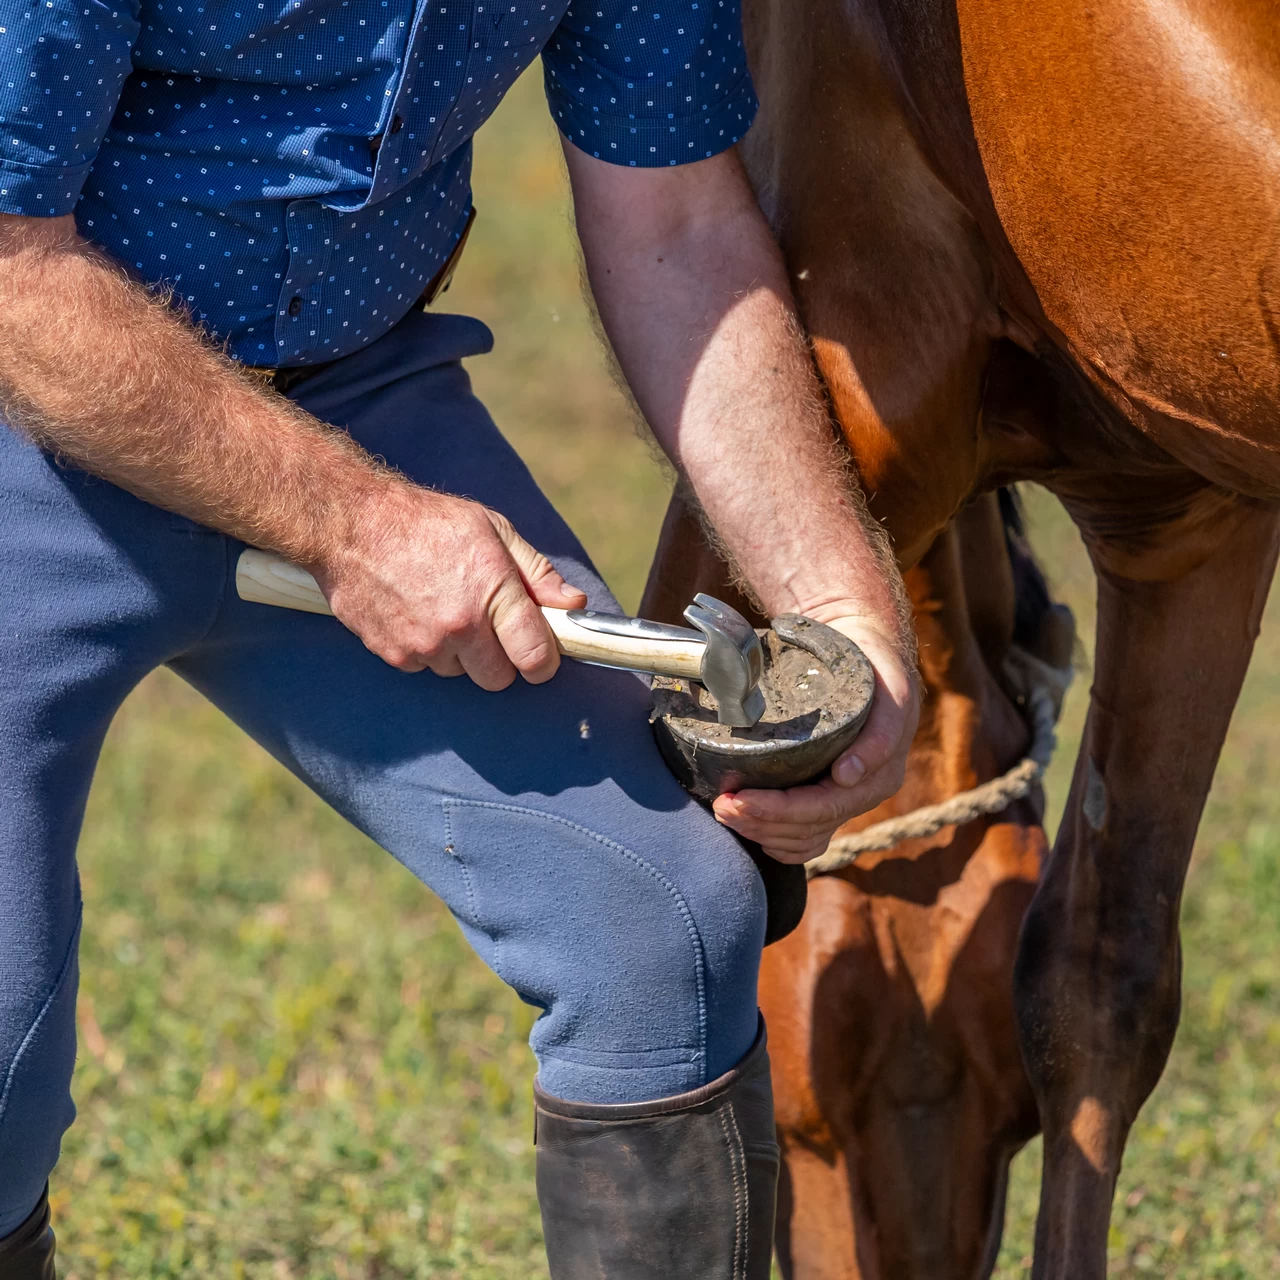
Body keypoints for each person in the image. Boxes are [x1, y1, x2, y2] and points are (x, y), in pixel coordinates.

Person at [0, 1, 919, 1274]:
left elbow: (680, 225)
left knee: (665, 920)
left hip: (355, 390)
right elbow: (10, 261)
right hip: (25, 402)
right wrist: (351, 522)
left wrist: (836, 606)